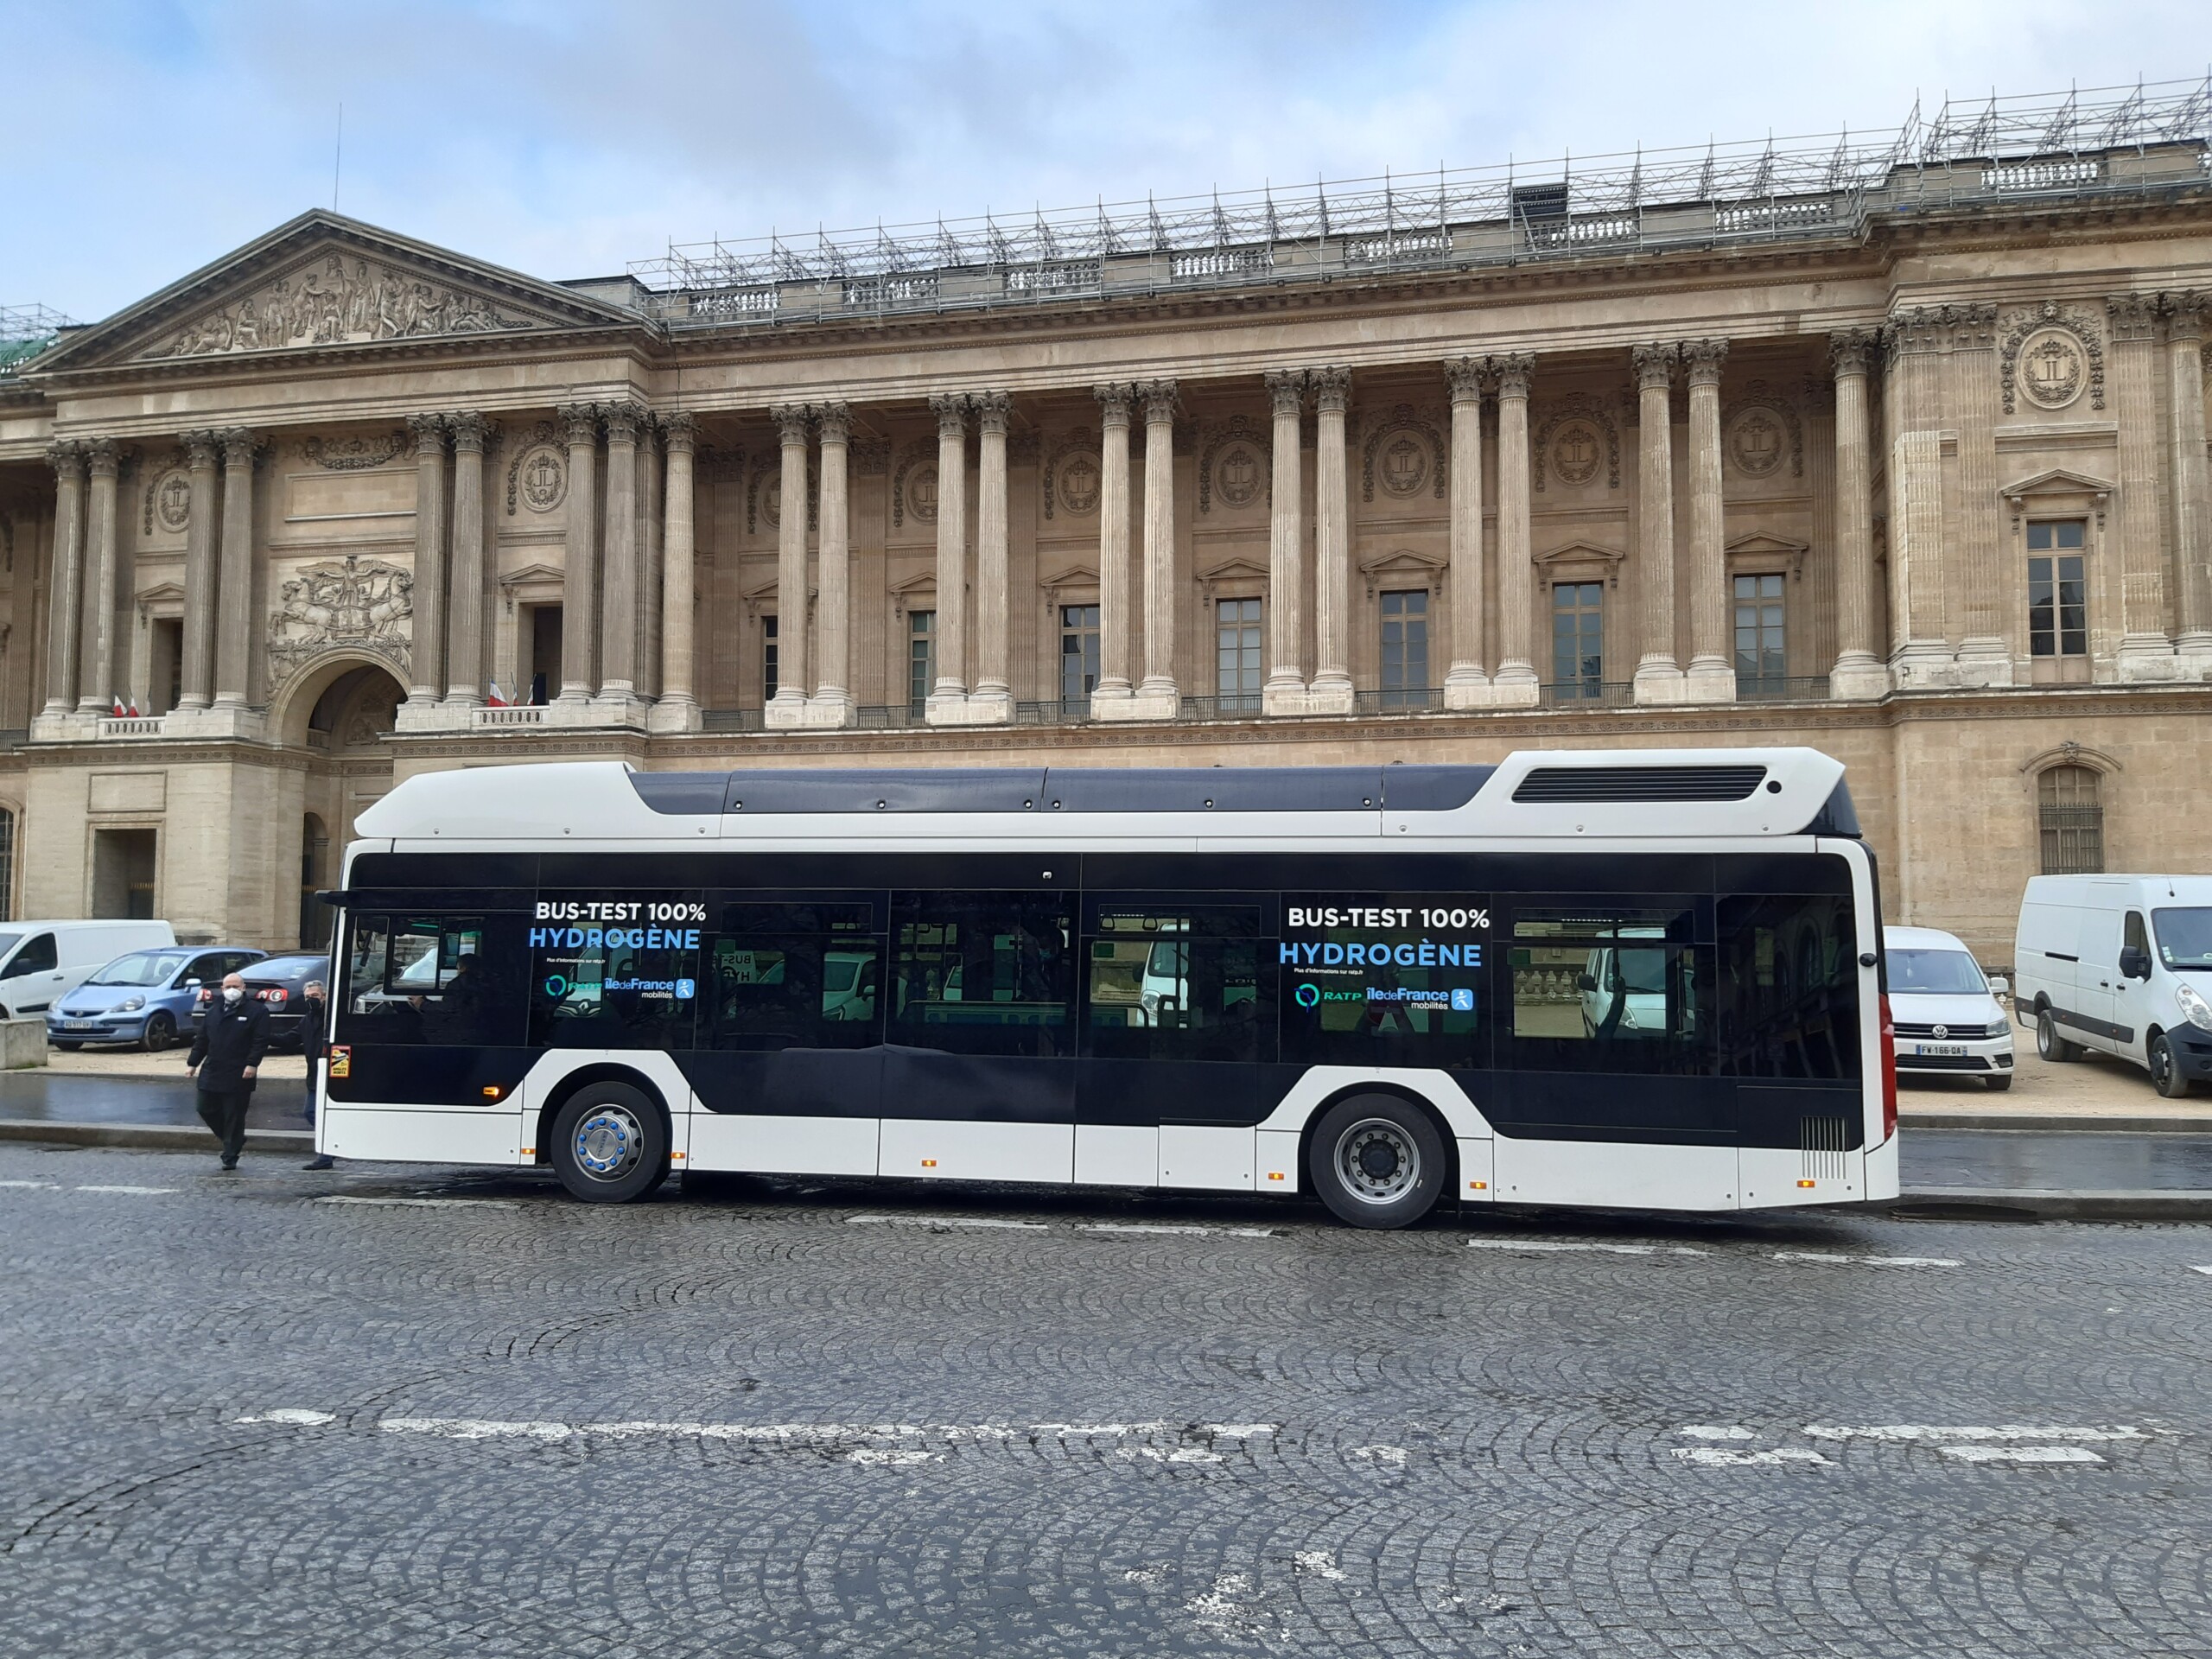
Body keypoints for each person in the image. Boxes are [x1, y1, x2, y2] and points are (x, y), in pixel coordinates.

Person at [188, 972, 270, 1172]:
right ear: (222, 989)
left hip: (239, 1071)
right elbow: (202, 1039)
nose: (231, 990)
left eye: (235, 986)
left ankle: (230, 1154)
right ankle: (233, 1139)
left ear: (243, 988)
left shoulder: (257, 1011)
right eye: (227, 987)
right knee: (204, 1107)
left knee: (234, 1114)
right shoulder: (214, 1010)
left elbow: (260, 1041)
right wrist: (193, 1063)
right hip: (213, 1068)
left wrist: (252, 1064)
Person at [298, 979, 335, 1171]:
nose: (311, 1000)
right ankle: (327, 1152)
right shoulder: (307, 1019)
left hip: (330, 1073)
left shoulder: (331, 1018)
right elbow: (292, 1038)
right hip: (315, 1075)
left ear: (324, 996)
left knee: (313, 1112)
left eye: (315, 996)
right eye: (308, 997)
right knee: (312, 1112)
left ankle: (327, 1153)